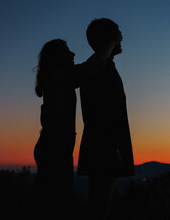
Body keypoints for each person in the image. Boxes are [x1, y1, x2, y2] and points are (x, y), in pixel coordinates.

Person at [33, 36, 120, 219]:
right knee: (56, 205)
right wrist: (111, 42)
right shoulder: (59, 78)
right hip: (55, 147)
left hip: (54, 146)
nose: (72, 53)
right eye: (66, 51)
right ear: (57, 57)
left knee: (53, 202)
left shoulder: (57, 79)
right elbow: (92, 66)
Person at [77, 18, 135, 220]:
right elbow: (99, 114)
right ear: (109, 38)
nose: (121, 38)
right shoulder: (97, 68)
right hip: (104, 149)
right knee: (100, 209)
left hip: (105, 148)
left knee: (101, 207)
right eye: (117, 34)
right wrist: (112, 149)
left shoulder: (104, 67)